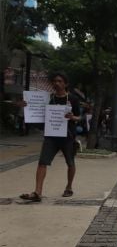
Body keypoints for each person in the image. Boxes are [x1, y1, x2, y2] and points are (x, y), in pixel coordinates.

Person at [19, 71, 82, 202]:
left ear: (66, 84)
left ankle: (69, 187)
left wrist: (72, 117)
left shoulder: (73, 99)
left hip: (67, 136)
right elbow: (36, 108)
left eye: (60, 81)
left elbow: (79, 117)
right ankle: (37, 192)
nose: (56, 83)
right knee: (42, 162)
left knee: (70, 162)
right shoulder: (48, 98)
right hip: (51, 136)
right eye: (54, 81)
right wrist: (26, 106)